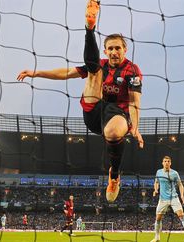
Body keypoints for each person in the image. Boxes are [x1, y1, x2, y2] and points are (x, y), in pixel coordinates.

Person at [17, 0, 144, 203]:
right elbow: (67, 72)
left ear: (125, 50)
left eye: (117, 48)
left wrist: (135, 128)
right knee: (94, 71)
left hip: (117, 115)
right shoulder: (101, 64)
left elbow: (134, 101)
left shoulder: (132, 70)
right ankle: (89, 28)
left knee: (113, 132)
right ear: (105, 51)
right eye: (110, 48)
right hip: (94, 110)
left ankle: (114, 175)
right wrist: (36, 73)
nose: (113, 52)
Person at [151, 156, 184, 242]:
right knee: (158, 218)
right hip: (163, 199)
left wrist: (182, 196)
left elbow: (180, 185)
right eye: (165, 161)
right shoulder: (159, 172)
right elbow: (156, 182)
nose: (166, 163)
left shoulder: (174, 173)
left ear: (170, 163)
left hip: (174, 198)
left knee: (181, 215)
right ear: (162, 163)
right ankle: (157, 237)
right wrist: (156, 190)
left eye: (168, 161)